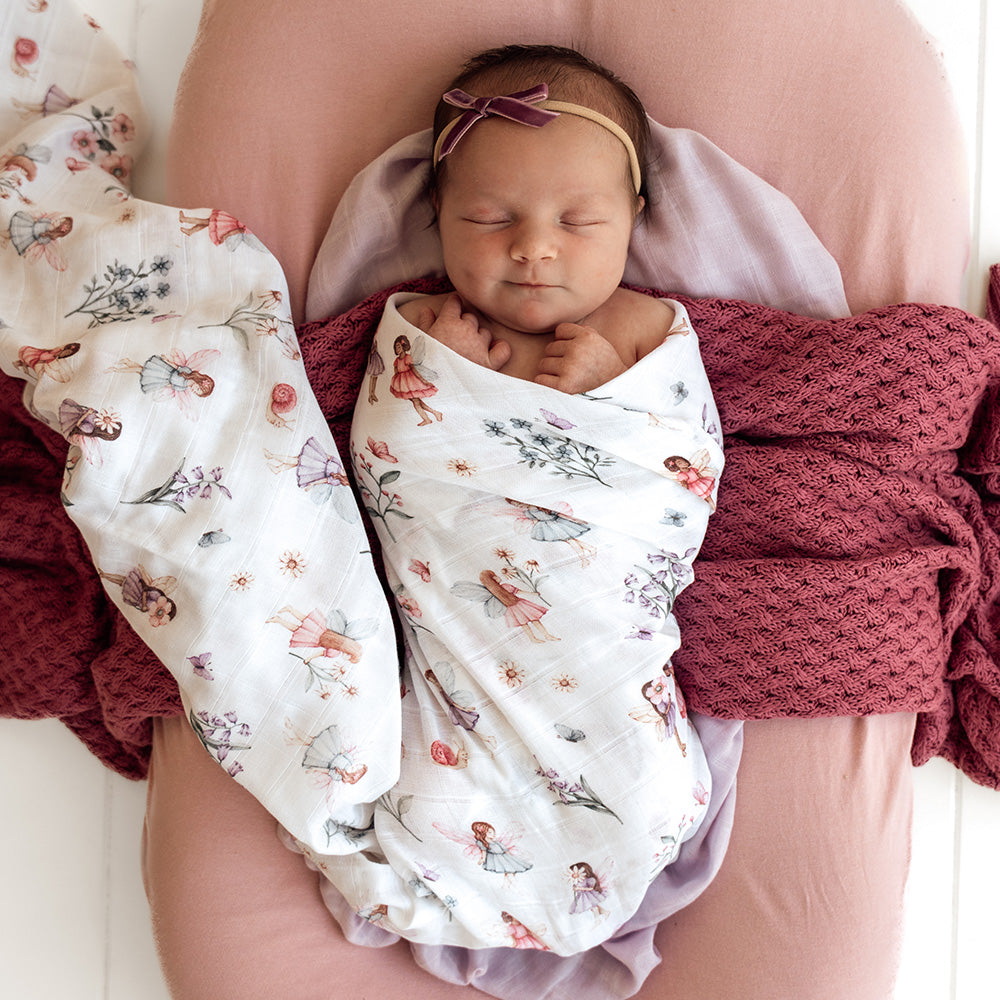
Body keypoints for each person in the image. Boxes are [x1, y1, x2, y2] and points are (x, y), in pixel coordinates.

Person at [290, 44, 740, 985]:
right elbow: (393, 465)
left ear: (635, 220)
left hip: (591, 623)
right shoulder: (418, 327)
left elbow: (677, 468)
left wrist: (596, 392)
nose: (534, 247)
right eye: (489, 218)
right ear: (439, 219)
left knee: (640, 779)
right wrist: (447, 378)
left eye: (579, 221)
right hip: (463, 634)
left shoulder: (646, 333)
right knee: (429, 760)